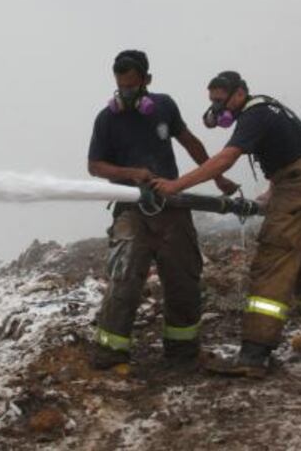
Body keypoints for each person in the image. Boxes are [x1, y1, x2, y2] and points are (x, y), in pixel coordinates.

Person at [151, 71, 301, 378]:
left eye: (219, 101)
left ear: (239, 93)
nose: (216, 109)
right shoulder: (269, 107)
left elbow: (226, 158)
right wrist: (274, 191)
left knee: (273, 261)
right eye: (212, 102)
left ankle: (254, 355)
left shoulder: (253, 114)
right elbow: (293, 153)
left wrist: (177, 185)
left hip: (300, 184)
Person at [87, 50, 238, 371]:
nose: (126, 94)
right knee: (125, 279)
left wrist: (219, 177)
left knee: (184, 278)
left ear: (147, 81)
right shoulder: (107, 119)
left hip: (172, 207)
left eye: (132, 86)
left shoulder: (165, 106)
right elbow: (94, 166)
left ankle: (182, 352)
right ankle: (111, 354)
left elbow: (190, 142)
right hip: (131, 210)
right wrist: (131, 173)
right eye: (121, 87)